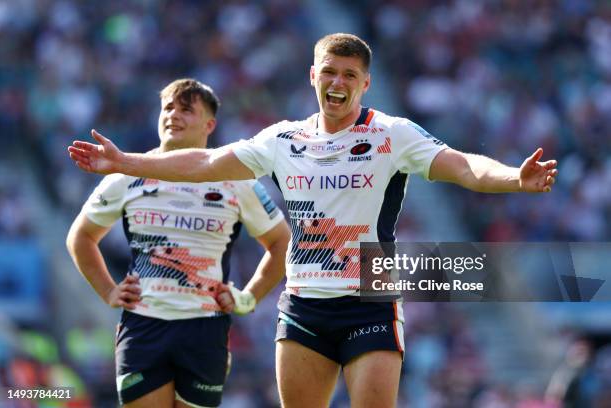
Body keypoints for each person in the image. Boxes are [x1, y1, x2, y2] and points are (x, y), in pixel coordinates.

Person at [68, 34, 558, 407]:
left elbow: (463, 166)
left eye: (349, 75)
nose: (338, 82)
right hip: (303, 301)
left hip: (371, 294)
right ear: (313, 77)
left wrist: (515, 177)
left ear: (365, 84)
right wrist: (125, 161)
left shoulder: (393, 134)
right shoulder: (282, 139)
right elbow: (204, 164)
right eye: (330, 72)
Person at [66, 78, 290, 408]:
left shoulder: (237, 181)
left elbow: (281, 243)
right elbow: (81, 237)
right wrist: (108, 290)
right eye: (168, 108)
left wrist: (248, 298)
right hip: (143, 326)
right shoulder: (126, 174)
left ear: (209, 124)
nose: (174, 115)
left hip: (205, 329)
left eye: (186, 109)